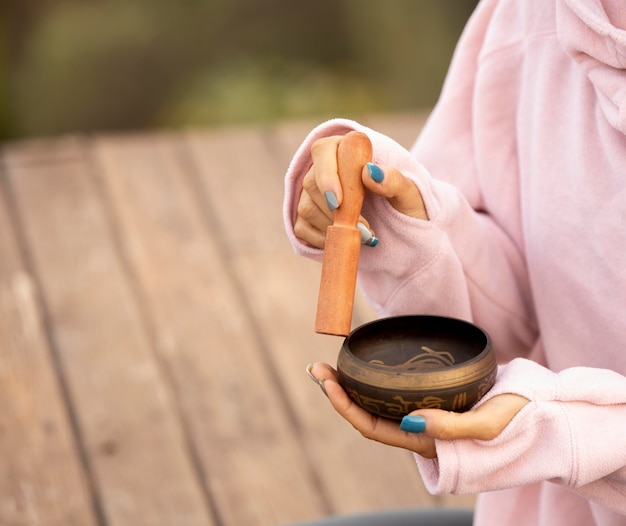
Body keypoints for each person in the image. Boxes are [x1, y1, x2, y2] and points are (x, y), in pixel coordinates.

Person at [282, 0, 626, 525]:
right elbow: (517, 315)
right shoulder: (527, 17)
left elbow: (550, 419)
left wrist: (566, 430)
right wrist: (409, 225)